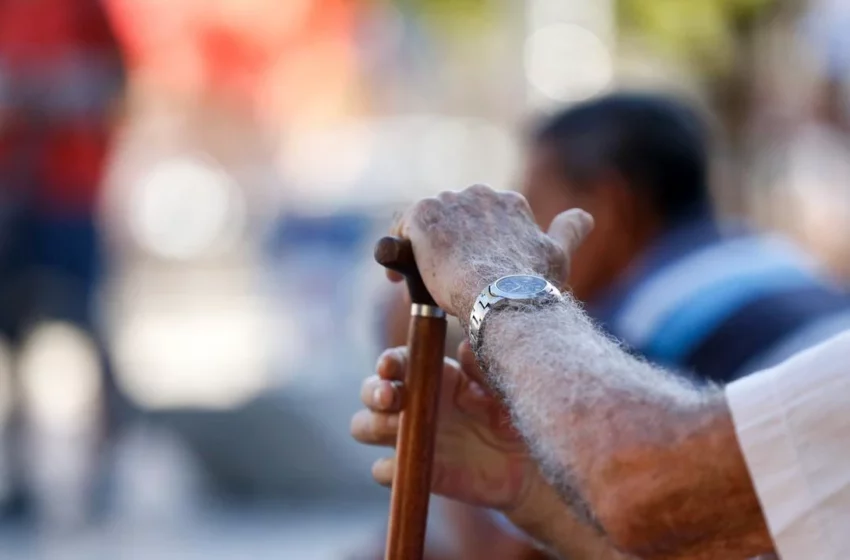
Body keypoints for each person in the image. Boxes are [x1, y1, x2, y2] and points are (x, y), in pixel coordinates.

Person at [368, 93, 850, 559]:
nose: (520, 234)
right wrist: (523, 488)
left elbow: (515, 553)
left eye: (530, 207)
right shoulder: (778, 260)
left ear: (610, 206)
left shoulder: (631, 332)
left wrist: (493, 276)